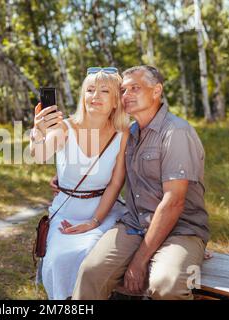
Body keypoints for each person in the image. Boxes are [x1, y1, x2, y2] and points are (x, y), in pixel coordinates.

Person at [50, 65, 210, 300]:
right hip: (135, 224)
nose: (126, 95)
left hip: (180, 229)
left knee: (165, 287)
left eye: (135, 88)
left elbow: (174, 202)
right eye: (123, 90)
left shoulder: (176, 132)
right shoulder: (130, 133)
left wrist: (140, 259)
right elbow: (109, 172)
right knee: (90, 272)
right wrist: (64, 178)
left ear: (156, 91)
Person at [29, 67, 130, 300]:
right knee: (57, 260)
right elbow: (40, 155)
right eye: (90, 90)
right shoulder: (65, 127)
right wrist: (38, 132)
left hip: (103, 213)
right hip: (66, 214)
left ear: (116, 101)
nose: (95, 96)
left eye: (105, 91)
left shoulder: (122, 133)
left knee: (91, 257)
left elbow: (116, 184)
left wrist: (94, 222)